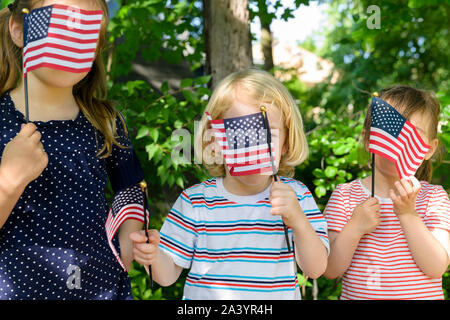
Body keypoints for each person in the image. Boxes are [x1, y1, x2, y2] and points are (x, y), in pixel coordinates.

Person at [130, 69, 329, 299]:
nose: (252, 147)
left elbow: (315, 269)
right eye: (239, 135)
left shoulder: (297, 196)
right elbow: (166, 276)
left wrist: (298, 221)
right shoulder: (196, 202)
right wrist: (153, 256)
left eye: (267, 135)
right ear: (216, 143)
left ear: (286, 143)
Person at [0, 0, 146, 299]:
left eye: (85, 34)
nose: (71, 43)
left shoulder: (106, 122)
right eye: (57, 26)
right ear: (18, 30)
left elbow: (130, 188)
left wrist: (131, 236)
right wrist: (8, 183)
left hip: (101, 288)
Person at [323, 85, 450, 299]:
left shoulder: (433, 198)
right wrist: (355, 227)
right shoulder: (345, 196)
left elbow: (437, 266)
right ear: (368, 139)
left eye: (411, 136)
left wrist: (409, 215)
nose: (398, 144)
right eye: (389, 132)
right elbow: (329, 270)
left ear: (429, 148)